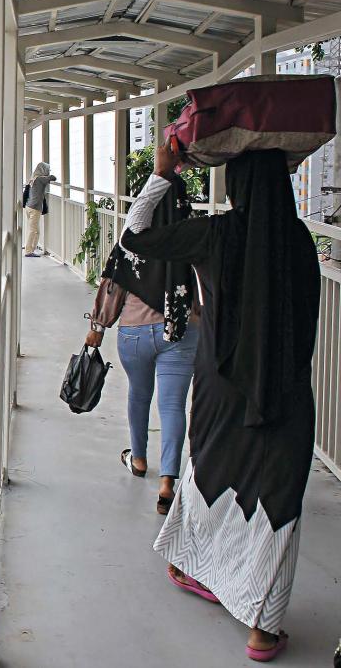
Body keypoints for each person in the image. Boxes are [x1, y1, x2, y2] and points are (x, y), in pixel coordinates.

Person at [123, 145, 321, 661]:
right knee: (277, 504)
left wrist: (162, 177)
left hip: (219, 383)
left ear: (235, 187)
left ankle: (193, 567)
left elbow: (133, 238)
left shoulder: (216, 236)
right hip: (285, 390)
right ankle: (262, 629)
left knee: (210, 475)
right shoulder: (299, 241)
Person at [86, 172, 199, 514]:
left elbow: (113, 285)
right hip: (179, 331)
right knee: (172, 406)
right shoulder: (195, 238)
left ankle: (137, 459)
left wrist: (98, 327)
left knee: (139, 394)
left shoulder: (132, 239)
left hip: (134, 332)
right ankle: (168, 481)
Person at [23, 161, 56, 257]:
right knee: (33, 230)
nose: (48, 171)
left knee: (35, 231)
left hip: (29, 206)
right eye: (47, 169)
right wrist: (48, 175)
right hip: (35, 208)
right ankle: (28, 251)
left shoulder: (33, 178)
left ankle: (31, 249)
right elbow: (53, 178)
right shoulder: (40, 179)